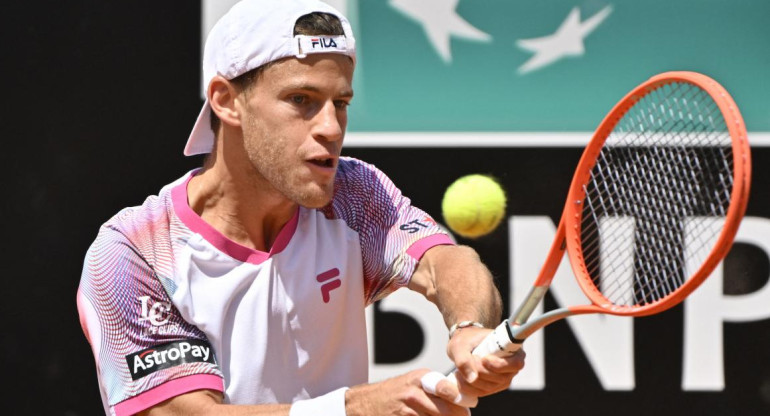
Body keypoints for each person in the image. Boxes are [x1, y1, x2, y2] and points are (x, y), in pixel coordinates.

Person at [76, 0, 525, 415]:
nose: (331, 127)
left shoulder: (355, 193)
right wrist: (353, 409)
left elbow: (447, 263)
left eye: (341, 103)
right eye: (301, 101)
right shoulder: (133, 253)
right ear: (226, 100)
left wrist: (469, 326)